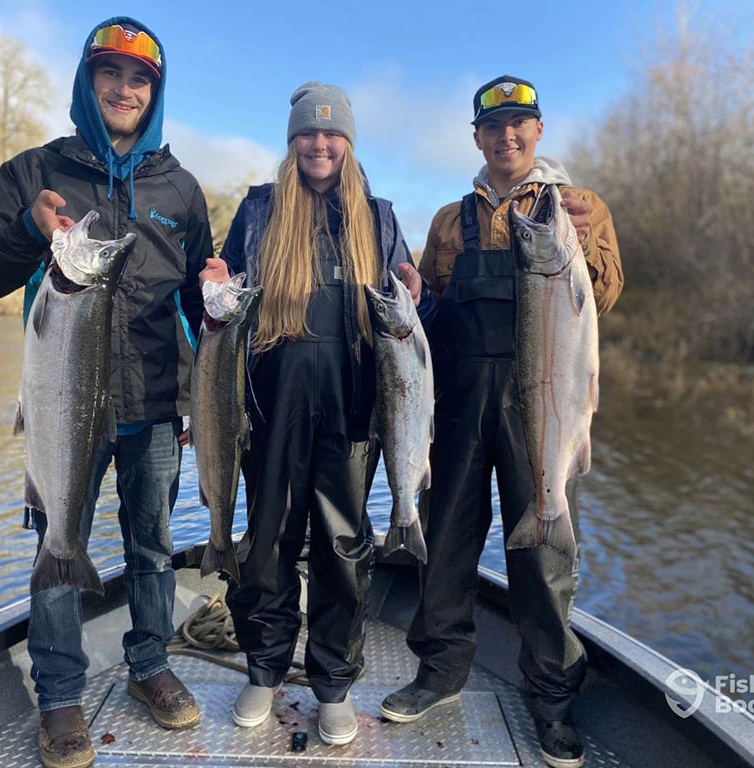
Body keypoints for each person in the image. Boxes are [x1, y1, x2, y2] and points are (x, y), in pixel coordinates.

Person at [0, 17, 212, 768]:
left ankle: (150, 665)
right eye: (110, 73)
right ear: (87, 79)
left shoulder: (184, 189)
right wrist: (30, 234)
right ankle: (62, 698)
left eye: (140, 79)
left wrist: (204, 387)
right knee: (56, 539)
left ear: (156, 94)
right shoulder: (33, 170)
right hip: (62, 408)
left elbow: (200, 309)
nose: (124, 89)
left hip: (155, 408)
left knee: (155, 546)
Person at [379, 76, 623, 768]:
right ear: (477, 138)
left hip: (541, 405)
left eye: (520, 124)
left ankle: (551, 699)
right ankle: (440, 671)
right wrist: (414, 302)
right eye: (494, 127)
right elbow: (429, 316)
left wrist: (585, 245)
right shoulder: (449, 221)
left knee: (543, 557)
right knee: (447, 541)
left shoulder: (579, 207)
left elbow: (601, 298)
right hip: (458, 404)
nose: (507, 136)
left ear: (538, 131)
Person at [199, 82, 436, 747]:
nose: (320, 143)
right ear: (292, 141)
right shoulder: (257, 210)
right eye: (308, 132)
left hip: (354, 415)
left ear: (349, 144)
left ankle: (333, 682)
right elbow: (220, 315)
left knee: (342, 552)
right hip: (270, 408)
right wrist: (211, 287)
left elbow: (410, 328)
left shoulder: (381, 216)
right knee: (268, 543)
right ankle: (266, 670)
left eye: (332, 134)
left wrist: (420, 295)